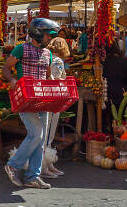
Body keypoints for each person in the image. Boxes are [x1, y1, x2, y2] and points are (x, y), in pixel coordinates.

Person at [3, 18, 58, 190]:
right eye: (48, 35)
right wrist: (12, 79)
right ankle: (13, 165)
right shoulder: (21, 49)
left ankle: (32, 177)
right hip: (25, 99)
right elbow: (5, 69)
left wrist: (56, 83)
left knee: (40, 141)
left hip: (42, 100)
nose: (50, 39)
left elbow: (48, 77)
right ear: (38, 33)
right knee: (36, 134)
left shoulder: (47, 54)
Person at [42, 36, 70, 179]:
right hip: (53, 100)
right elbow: (55, 80)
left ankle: (47, 164)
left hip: (45, 98)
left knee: (46, 134)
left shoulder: (48, 57)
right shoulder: (58, 61)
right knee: (48, 135)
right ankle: (44, 165)